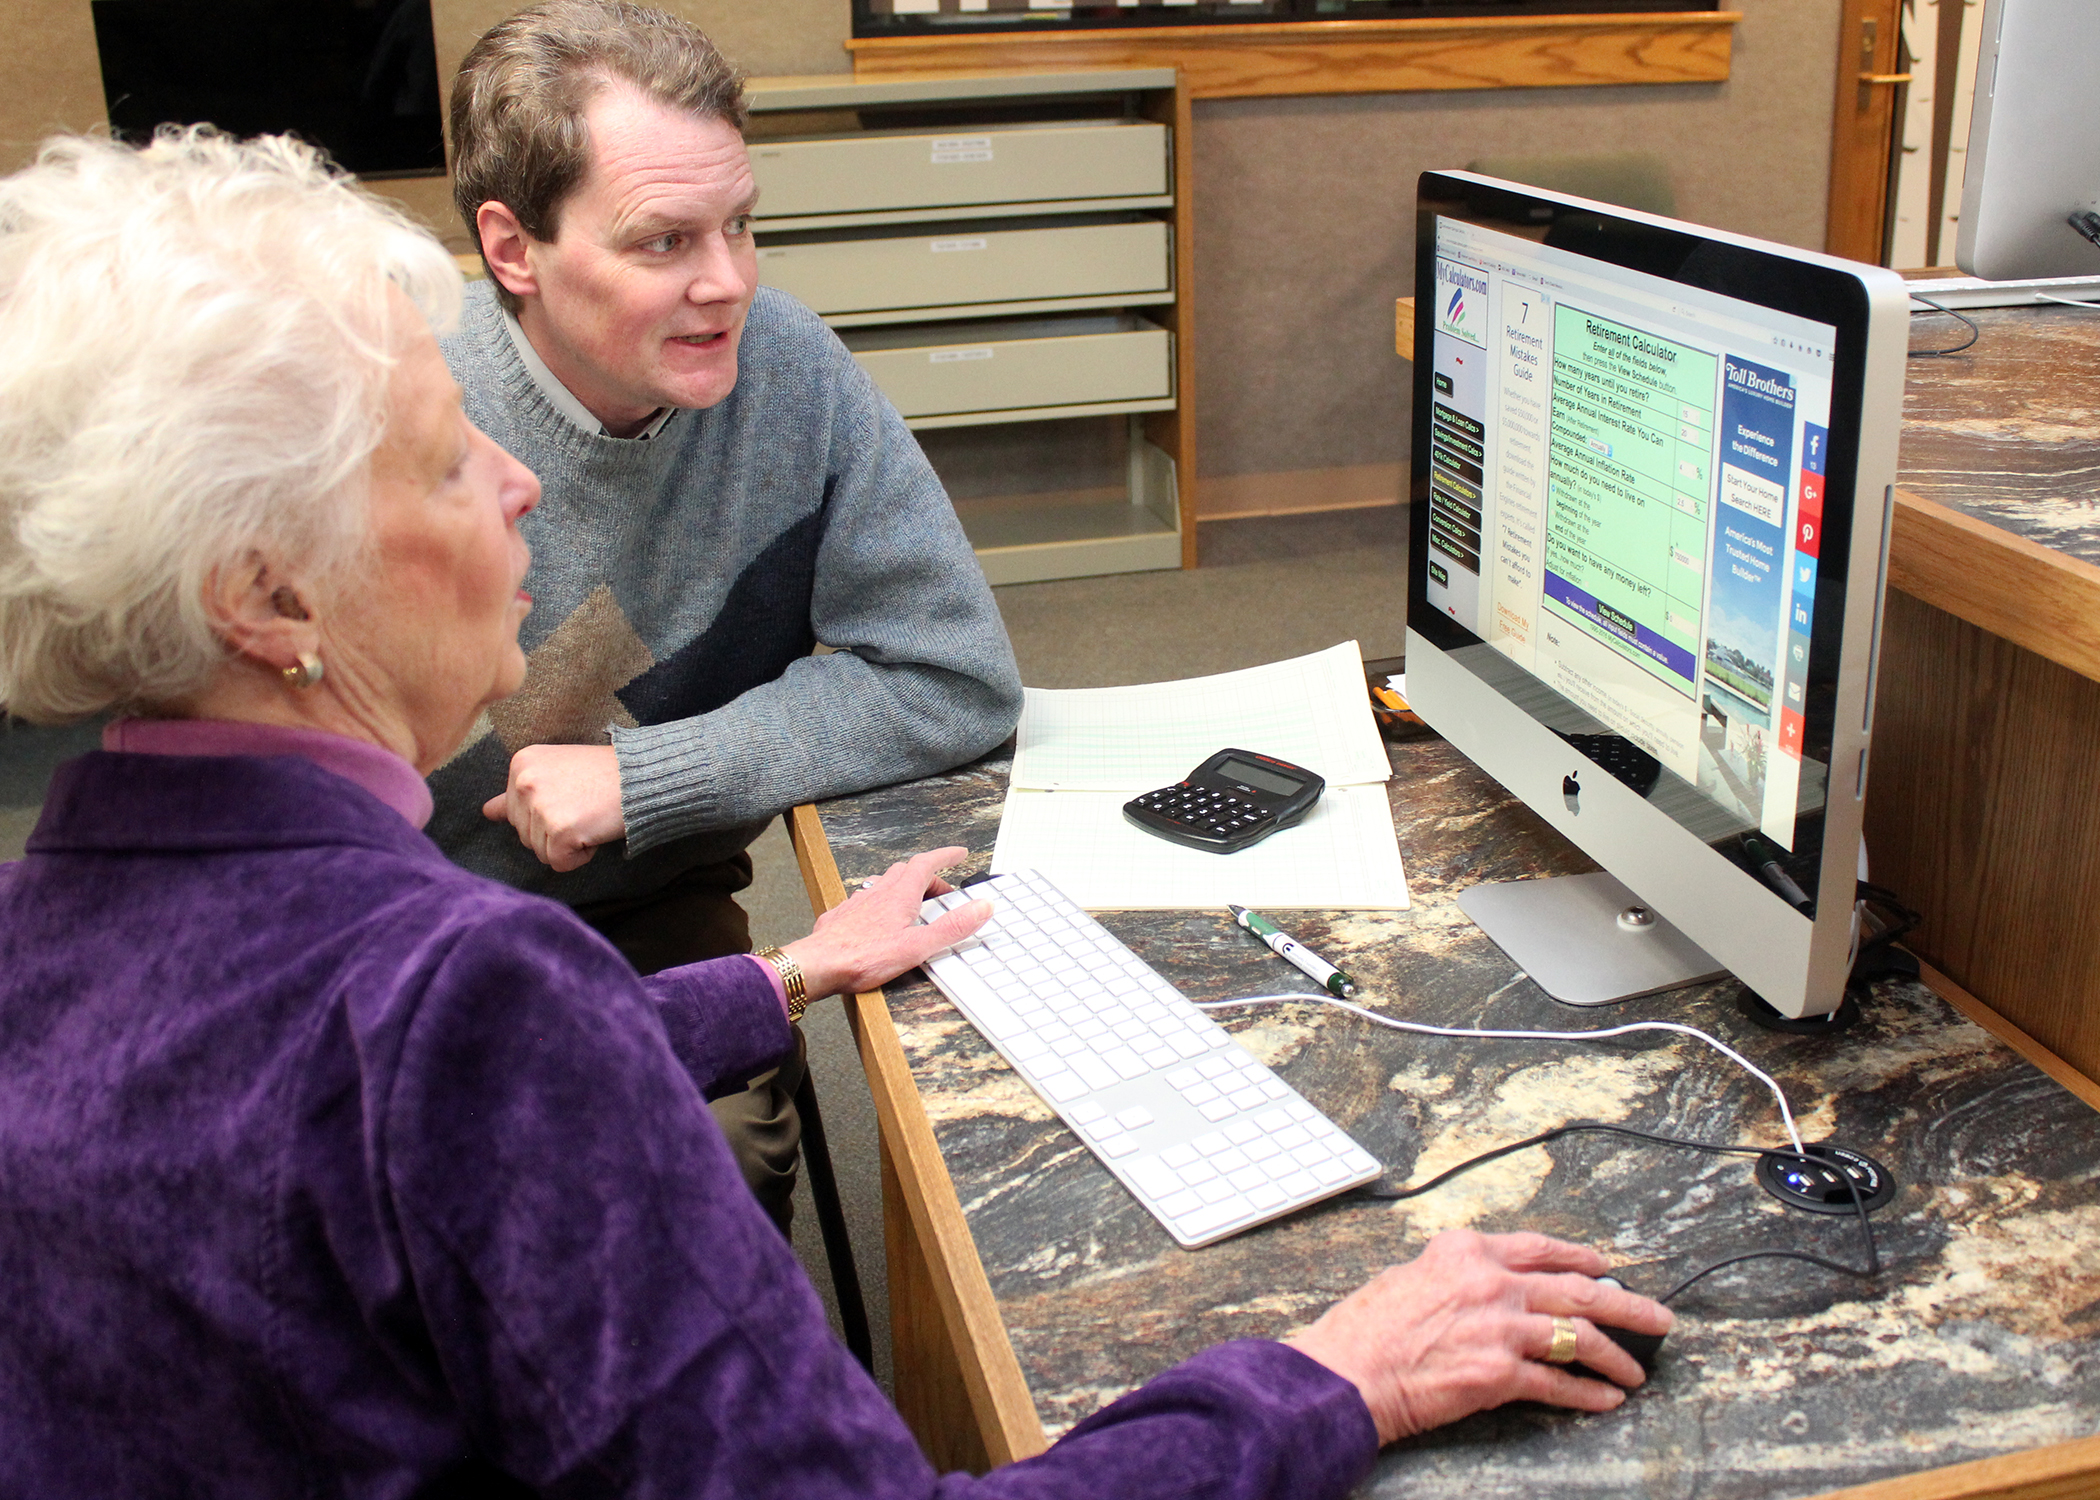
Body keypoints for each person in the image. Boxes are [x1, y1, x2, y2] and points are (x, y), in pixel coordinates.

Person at [0, 130, 1670, 1496]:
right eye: (445, 463)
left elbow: (365, 1125)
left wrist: (781, 980)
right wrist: (1335, 1378)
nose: (515, 483)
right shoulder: (465, 996)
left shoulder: (51, 935)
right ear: (267, 596)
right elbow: (458, 1071)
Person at [426, 0, 1026, 1228]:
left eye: (741, 225)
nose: (729, 283)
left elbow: (950, 675)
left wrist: (650, 780)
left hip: (646, 916)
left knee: (694, 1175)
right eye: (663, 242)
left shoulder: (790, 374)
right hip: (395, 920)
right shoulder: (396, 402)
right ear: (513, 247)